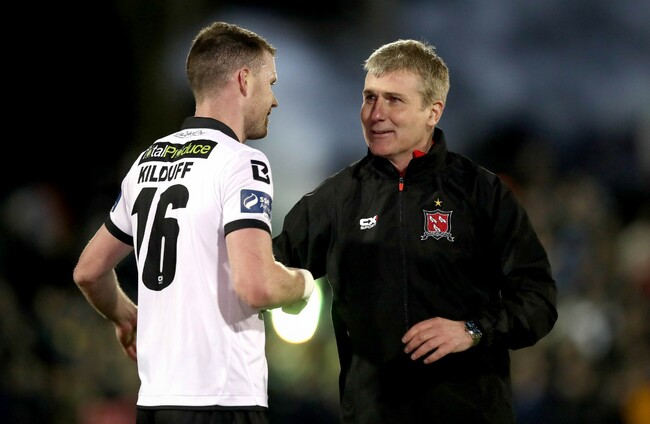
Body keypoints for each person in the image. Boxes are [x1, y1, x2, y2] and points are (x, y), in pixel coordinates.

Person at [272, 39, 558, 424]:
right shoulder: (337, 199)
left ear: (432, 112)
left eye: (394, 100)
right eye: (370, 97)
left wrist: (473, 329)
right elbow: (266, 267)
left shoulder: (481, 193)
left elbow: (539, 299)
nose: (376, 114)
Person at [72, 21, 314, 424]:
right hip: (222, 401)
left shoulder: (146, 161)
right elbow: (257, 284)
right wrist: (302, 285)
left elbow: (88, 271)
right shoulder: (242, 162)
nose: (274, 100)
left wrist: (124, 315)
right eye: (271, 83)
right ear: (244, 80)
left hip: (156, 403)